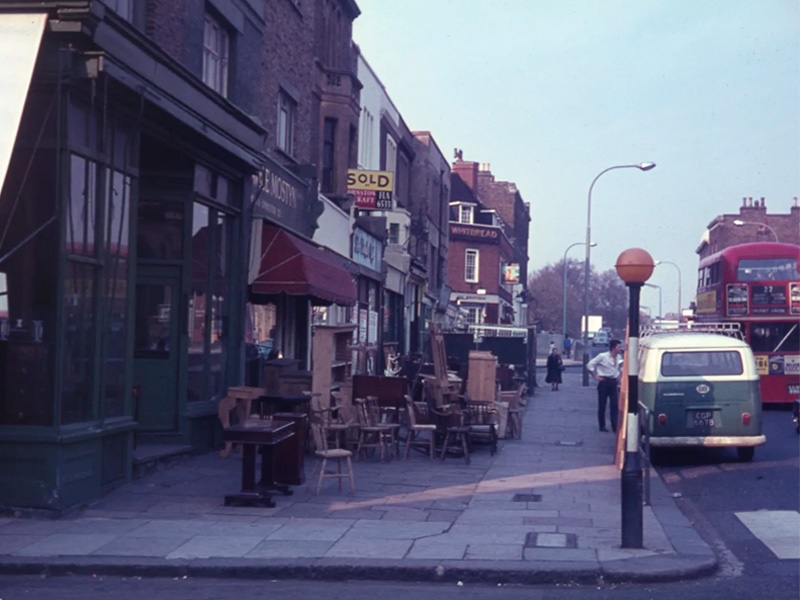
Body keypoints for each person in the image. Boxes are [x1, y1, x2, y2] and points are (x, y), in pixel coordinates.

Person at [586, 339, 623, 432]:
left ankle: (614, 426)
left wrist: (620, 375)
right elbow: (589, 365)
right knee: (602, 405)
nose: (620, 348)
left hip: (613, 382)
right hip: (604, 382)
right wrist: (595, 376)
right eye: (619, 347)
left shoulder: (619, 357)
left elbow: (622, 367)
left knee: (614, 404)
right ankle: (602, 425)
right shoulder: (602, 356)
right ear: (613, 347)